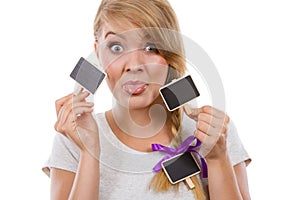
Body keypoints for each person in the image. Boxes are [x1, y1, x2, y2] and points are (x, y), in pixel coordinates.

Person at [43, 0, 251, 199]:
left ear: (171, 54)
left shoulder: (215, 132)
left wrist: (217, 158)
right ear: (98, 54)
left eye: (150, 47)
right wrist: (90, 153)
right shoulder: (73, 138)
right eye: (116, 47)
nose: (134, 65)